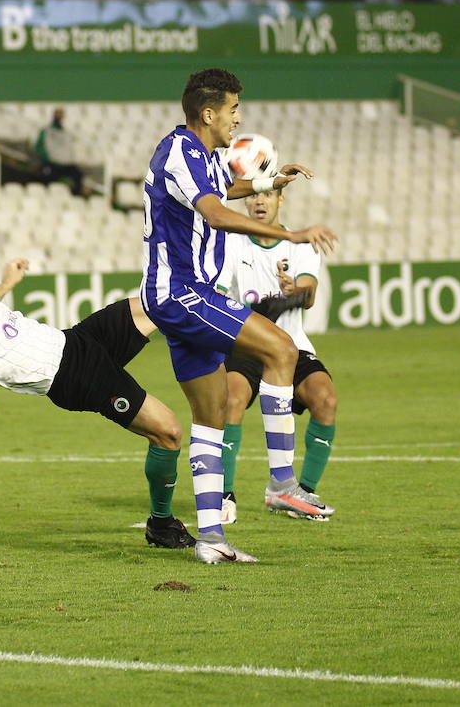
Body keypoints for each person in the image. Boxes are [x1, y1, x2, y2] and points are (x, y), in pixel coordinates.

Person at [140, 69, 336, 563]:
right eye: (232, 110)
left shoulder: (202, 154)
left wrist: (271, 180)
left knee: (209, 421)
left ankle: (211, 539)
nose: (238, 119)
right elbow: (215, 212)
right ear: (208, 113)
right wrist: (290, 236)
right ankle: (281, 483)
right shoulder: (179, 152)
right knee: (281, 349)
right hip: (181, 293)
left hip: (187, 293)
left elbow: (227, 187)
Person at [0, 241, 197, 550]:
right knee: (169, 431)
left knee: (162, 304)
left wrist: (8, 283)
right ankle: (161, 524)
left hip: (76, 341)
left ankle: (234, 331)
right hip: (75, 377)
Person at [216, 188, 337, 524]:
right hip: (248, 345)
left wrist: (292, 291)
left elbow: (309, 293)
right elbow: (221, 293)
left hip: (292, 345)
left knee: (325, 399)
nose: (259, 201)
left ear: (280, 200)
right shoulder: (232, 244)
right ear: (245, 201)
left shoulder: (299, 243)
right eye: (253, 196)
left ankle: (303, 492)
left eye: (268, 195)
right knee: (232, 400)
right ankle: (225, 495)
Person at [34, 108, 83, 194]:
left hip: (66, 164)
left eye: (61, 115)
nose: (59, 117)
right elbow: (38, 147)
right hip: (52, 164)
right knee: (45, 178)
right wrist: (47, 158)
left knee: (78, 175)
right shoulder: (46, 131)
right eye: (57, 115)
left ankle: (76, 196)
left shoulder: (66, 132)